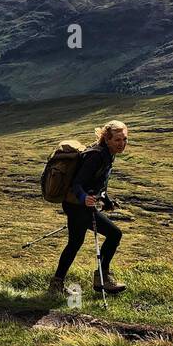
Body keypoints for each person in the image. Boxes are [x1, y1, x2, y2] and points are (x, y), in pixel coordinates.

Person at [49, 119, 128, 295]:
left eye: (124, 139)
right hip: (77, 206)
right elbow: (78, 184)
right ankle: (102, 278)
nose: (122, 144)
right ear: (106, 139)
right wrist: (85, 198)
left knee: (74, 243)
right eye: (117, 140)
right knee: (115, 234)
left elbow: (98, 184)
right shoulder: (96, 156)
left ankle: (56, 285)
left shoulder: (108, 154)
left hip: (77, 205)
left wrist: (106, 201)